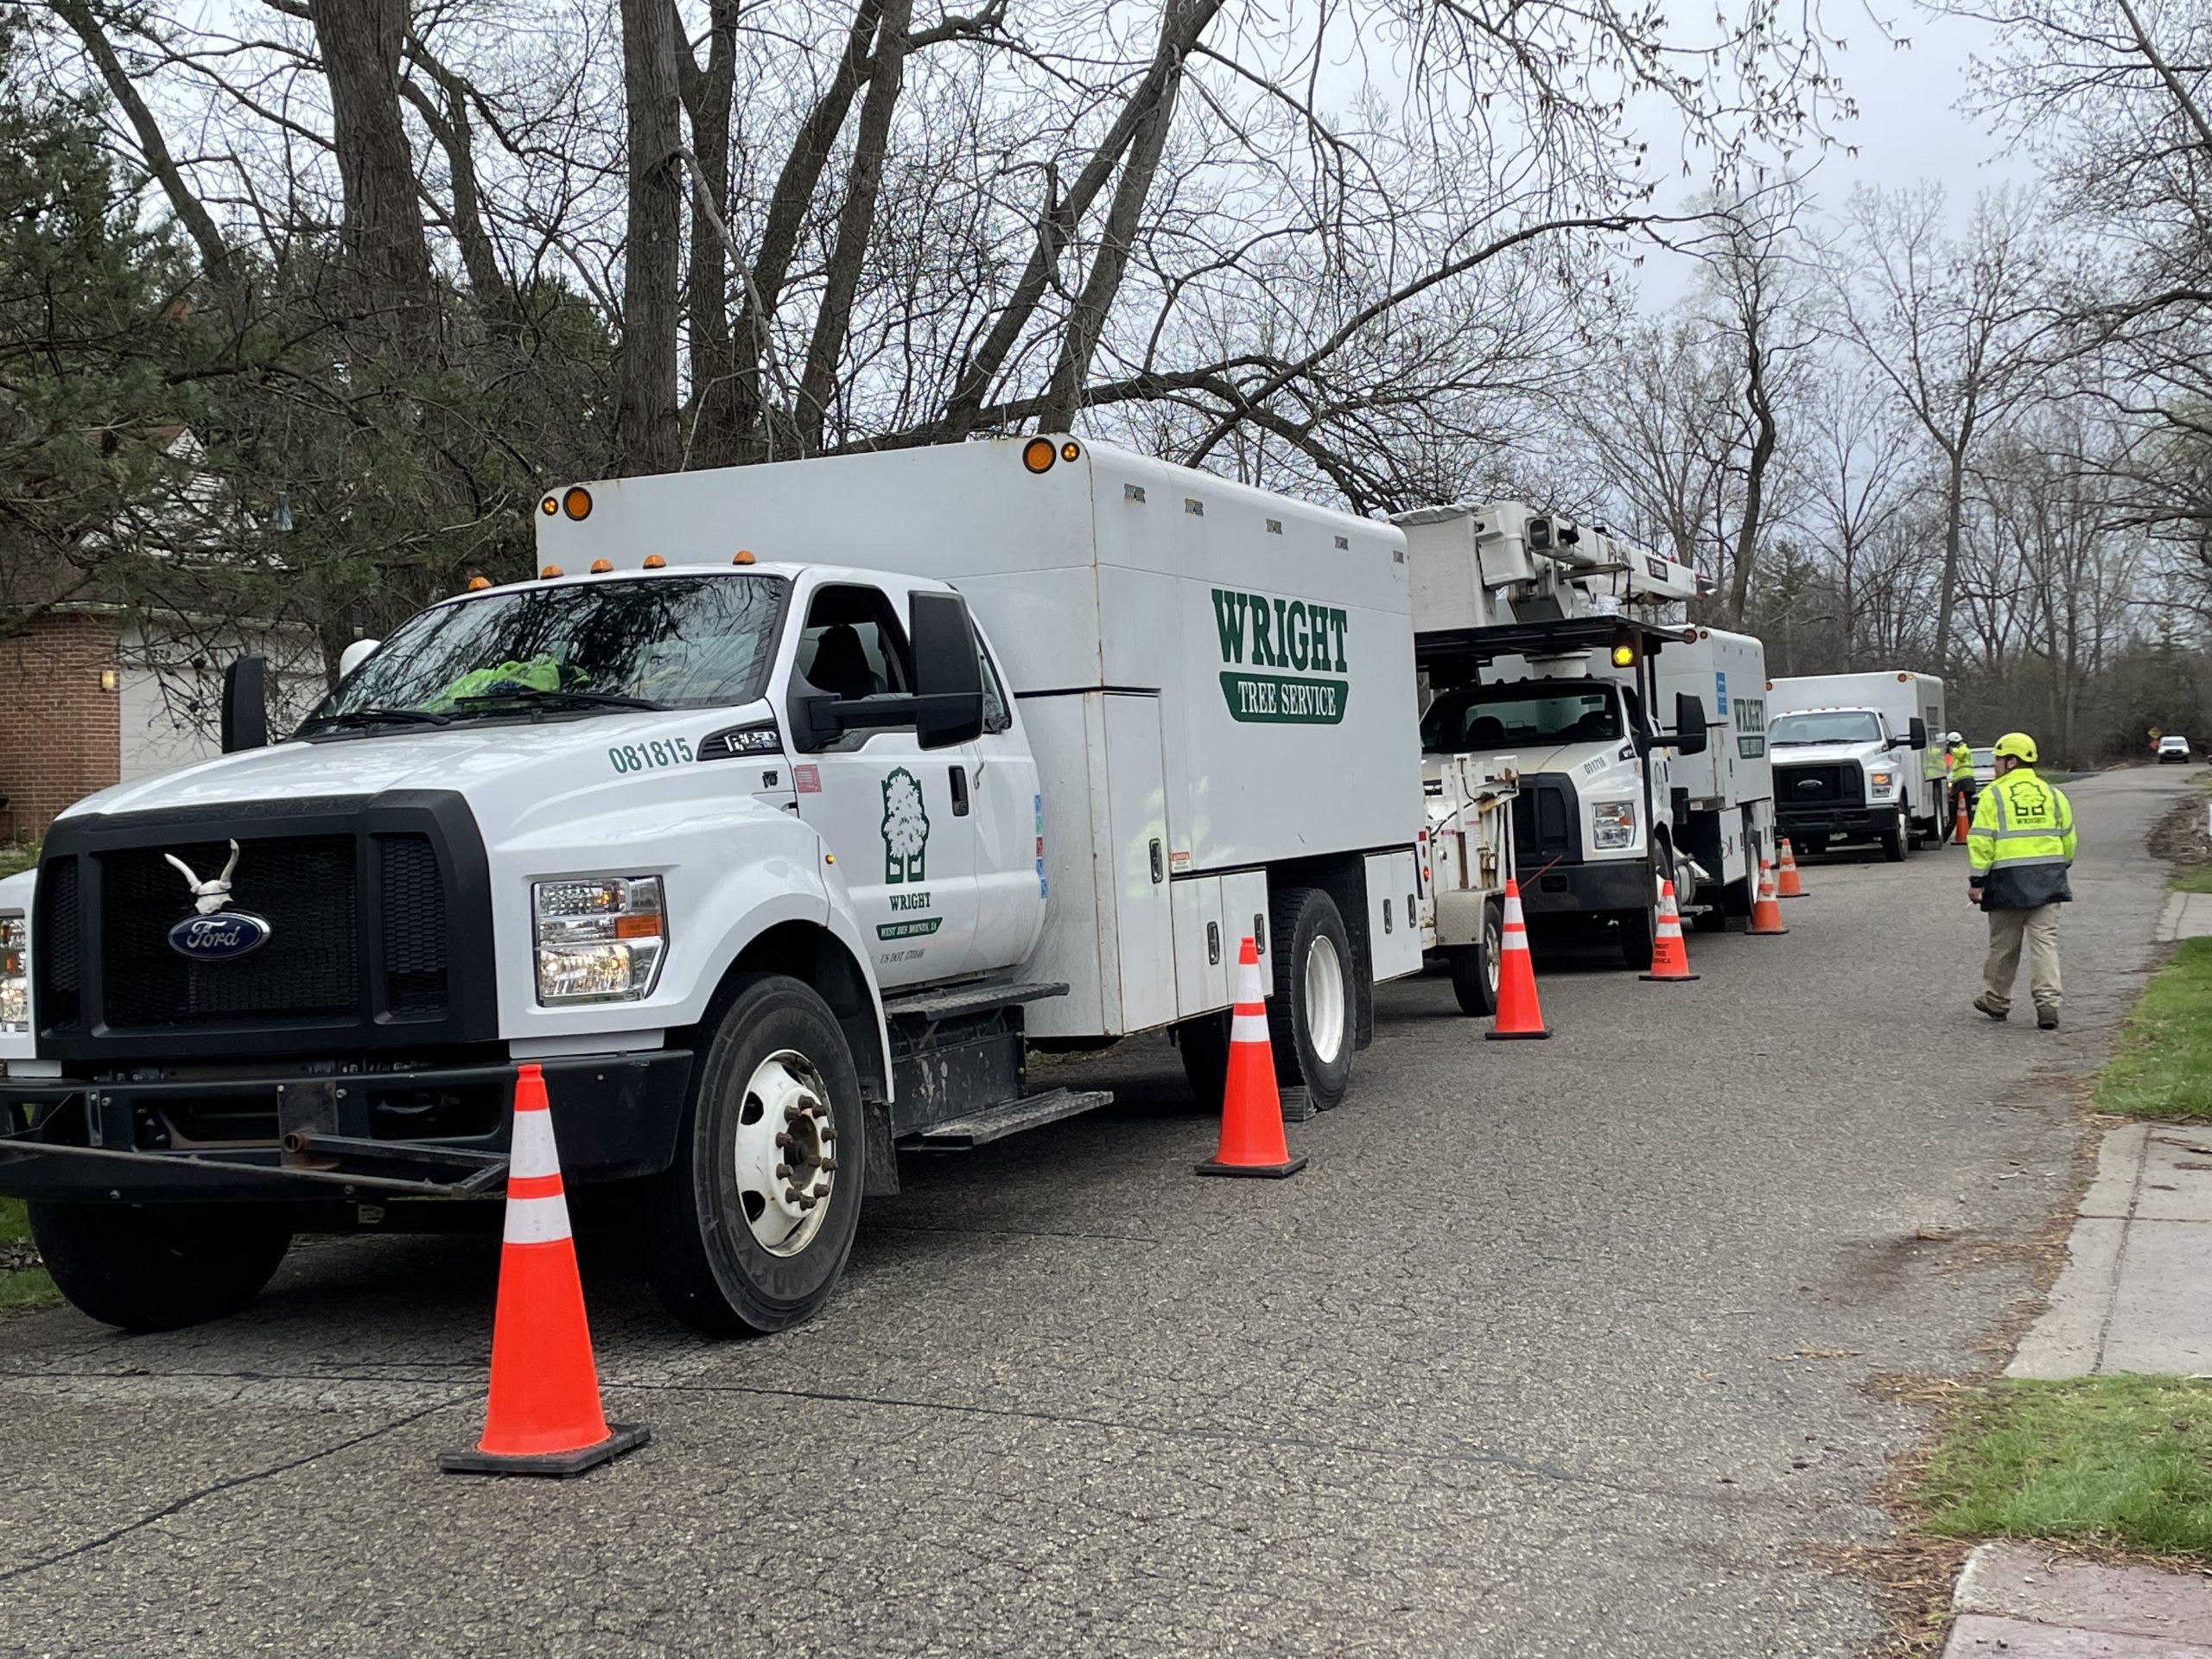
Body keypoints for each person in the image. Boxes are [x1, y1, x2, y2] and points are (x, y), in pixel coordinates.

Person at [1968, 733, 2076, 1030]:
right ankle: (2048, 1005)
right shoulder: (2053, 794)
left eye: (1999, 761)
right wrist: (2058, 867)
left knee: (2004, 945)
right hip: (2049, 880)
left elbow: (1981, 842)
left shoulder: (1994, 795)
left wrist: (1978, 881)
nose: (1995, 767)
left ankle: (1997, 1000)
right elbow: (2069, 838)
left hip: (2007, 882)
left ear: (2012, 761)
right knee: (2045, 944)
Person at [1946, 731, 1977, 827]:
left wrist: (1949, 749)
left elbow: (1960, 754)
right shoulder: (1955, 753)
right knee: (1956, 807)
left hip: (1966, 782)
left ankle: (1971, 827)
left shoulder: (1964, 750)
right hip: (1958, 782)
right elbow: (1949, 765)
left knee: (1967, 808)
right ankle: (1952, 826)